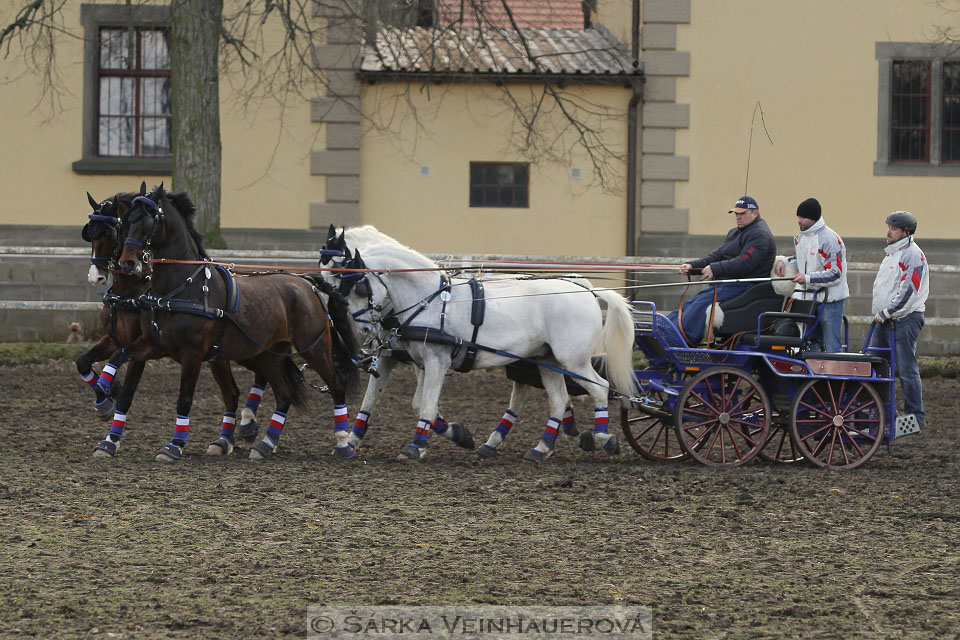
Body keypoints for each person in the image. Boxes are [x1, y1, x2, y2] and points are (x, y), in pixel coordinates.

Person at [667, 195, 776, 344]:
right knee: (692, 302)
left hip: (746, 286)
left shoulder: (759, 235)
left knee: (700, 304)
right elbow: (717, 255)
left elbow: (745, 263)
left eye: (742, 213)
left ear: (755, 213)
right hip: (728, 283)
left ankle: (678, 339)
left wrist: (715, 269)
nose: (738, 217)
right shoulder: (735, 232)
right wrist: (693, 266)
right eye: (736, 213)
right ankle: (667, 328)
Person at [871, 211, 929, 428]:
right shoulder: (892, 254)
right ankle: (885, 414)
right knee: (876, 367)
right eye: (888, 227)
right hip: (885, 319)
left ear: (905, 232)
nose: (888, 231)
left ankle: (916, 416)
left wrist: (887, 312)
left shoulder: (912, 256)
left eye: (893, 228)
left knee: (906, 369)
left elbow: (909, 290)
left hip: (905, 319)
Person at [774, 197, 849, 352]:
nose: (798, 220)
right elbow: (800, 260)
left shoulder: (829, 239)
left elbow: (836, 273)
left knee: (831, 346)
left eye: (802, 217)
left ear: (813, 218)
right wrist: (785, 262)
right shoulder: (803, 236)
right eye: (798, 216)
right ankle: (815, 375)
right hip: (810, 299)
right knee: (810, 343)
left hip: (830, 301)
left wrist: (807, 278)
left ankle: (834, 375)